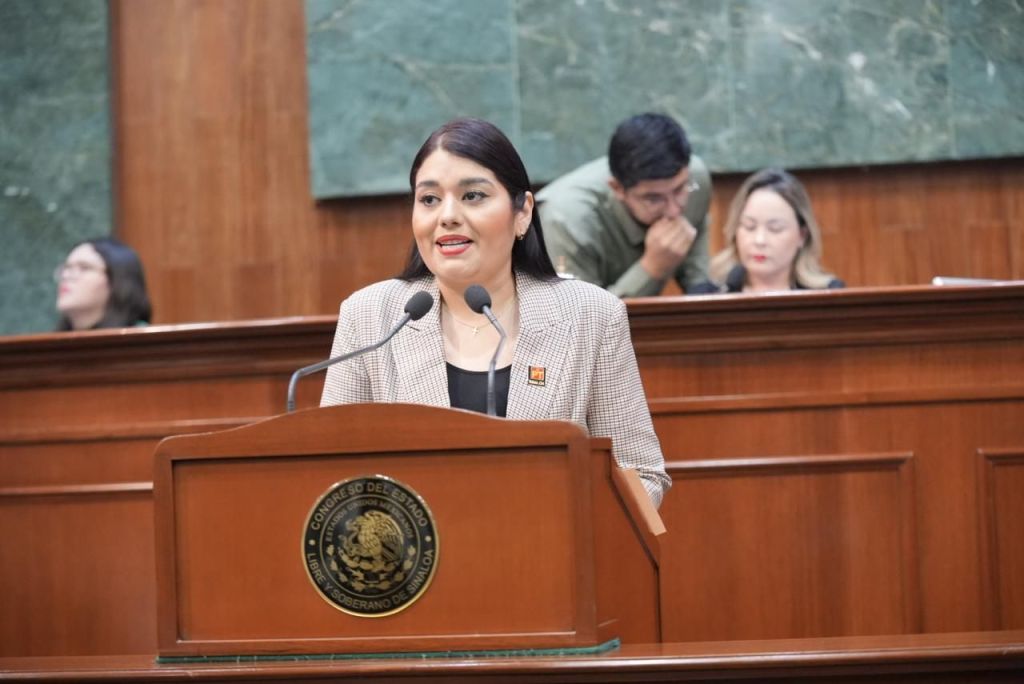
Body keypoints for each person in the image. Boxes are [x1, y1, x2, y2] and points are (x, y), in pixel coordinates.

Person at [320, 118, 670, 507]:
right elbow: (331, 476)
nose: (447, 216)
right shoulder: (369, 318)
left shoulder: (592, 316)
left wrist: (565, 522)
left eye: (472, 196)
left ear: (522, 213)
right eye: (429, 199)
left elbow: (642, 474)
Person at [536, 113, 713, 296]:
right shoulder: (565, 219)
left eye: (679, 190)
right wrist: (650, 269)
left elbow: (699, 286)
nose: (674, 211)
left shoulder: (695, 178)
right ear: (618, 188)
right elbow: (578, 312)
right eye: (653, 199)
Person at [692, 168, 844, 294]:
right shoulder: (707, 295)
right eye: (749, 226)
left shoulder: (828, 295)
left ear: (802, 235)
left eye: (775, 229)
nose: (760, 240)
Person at [55, 236, 152, 330]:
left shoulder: (142, 337)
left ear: (117, 280)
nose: (66, 276)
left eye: (84, 267)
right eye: (67, 268)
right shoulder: (54, 339)